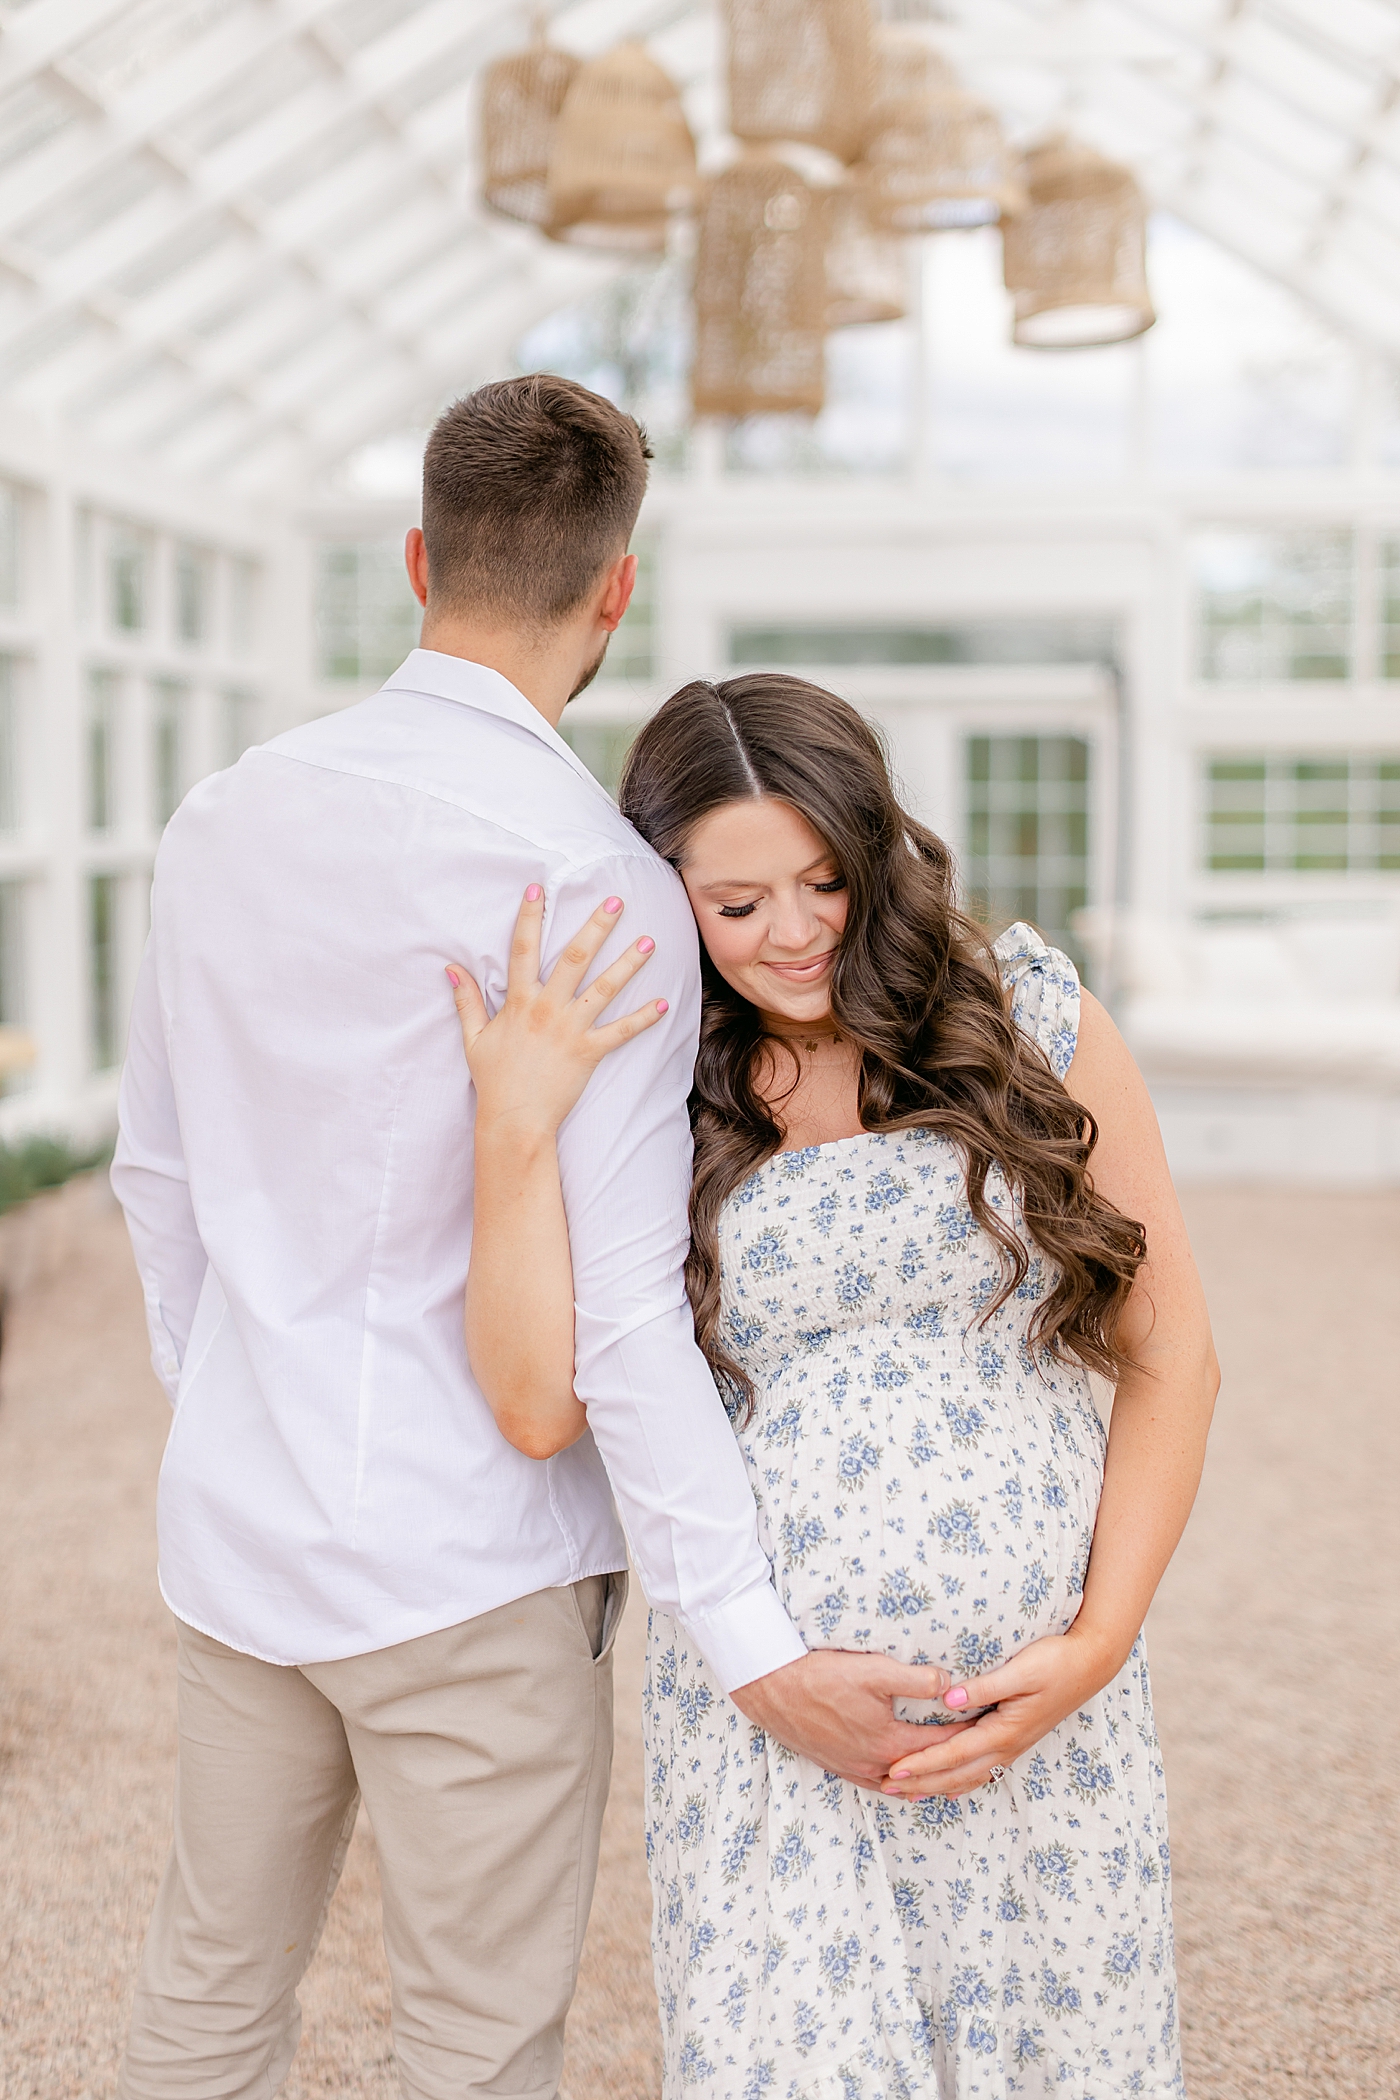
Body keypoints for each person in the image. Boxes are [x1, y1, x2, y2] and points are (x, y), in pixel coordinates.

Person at [110, 378, 946, 2100]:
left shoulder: (217, 822)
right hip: (478, 1572)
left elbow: (160, 1184)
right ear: (614, 590)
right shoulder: (598, 884)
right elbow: (623, 1316)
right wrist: (756, 1646)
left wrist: (233, 1416)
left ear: (420, 561)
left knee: (203, 2005)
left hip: (238, 1547)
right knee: (476, 2051)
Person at [448, 673, 1219, 2099]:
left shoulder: (1027, 1015)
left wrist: (1099, 1643)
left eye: (824, 881)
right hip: (777, 1738)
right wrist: (511, 1126)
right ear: (664, 887)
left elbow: (1176, 1354)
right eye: (736, 905)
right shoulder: (650, 1080)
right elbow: (535, 1402)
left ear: (875, 849)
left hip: (1042, 1728)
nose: (794, 934)